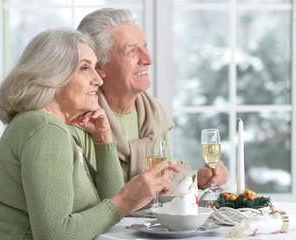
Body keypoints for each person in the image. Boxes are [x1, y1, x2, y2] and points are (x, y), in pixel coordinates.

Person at [0, 27, 179, 239]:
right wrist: (127, 199)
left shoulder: (45, 124)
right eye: (85, 68)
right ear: (53, 76)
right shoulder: (46, 130)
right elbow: (55, 236)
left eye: (95, 68)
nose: (98, 80)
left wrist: (103, 138)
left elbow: (107, 210)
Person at [73, 8, 229, 190]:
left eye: (145, 46)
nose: (148, 59)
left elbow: (164, 189)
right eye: (131, 51)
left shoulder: (155, 115)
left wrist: (199, 182)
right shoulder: (80, 121)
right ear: (98, 67)